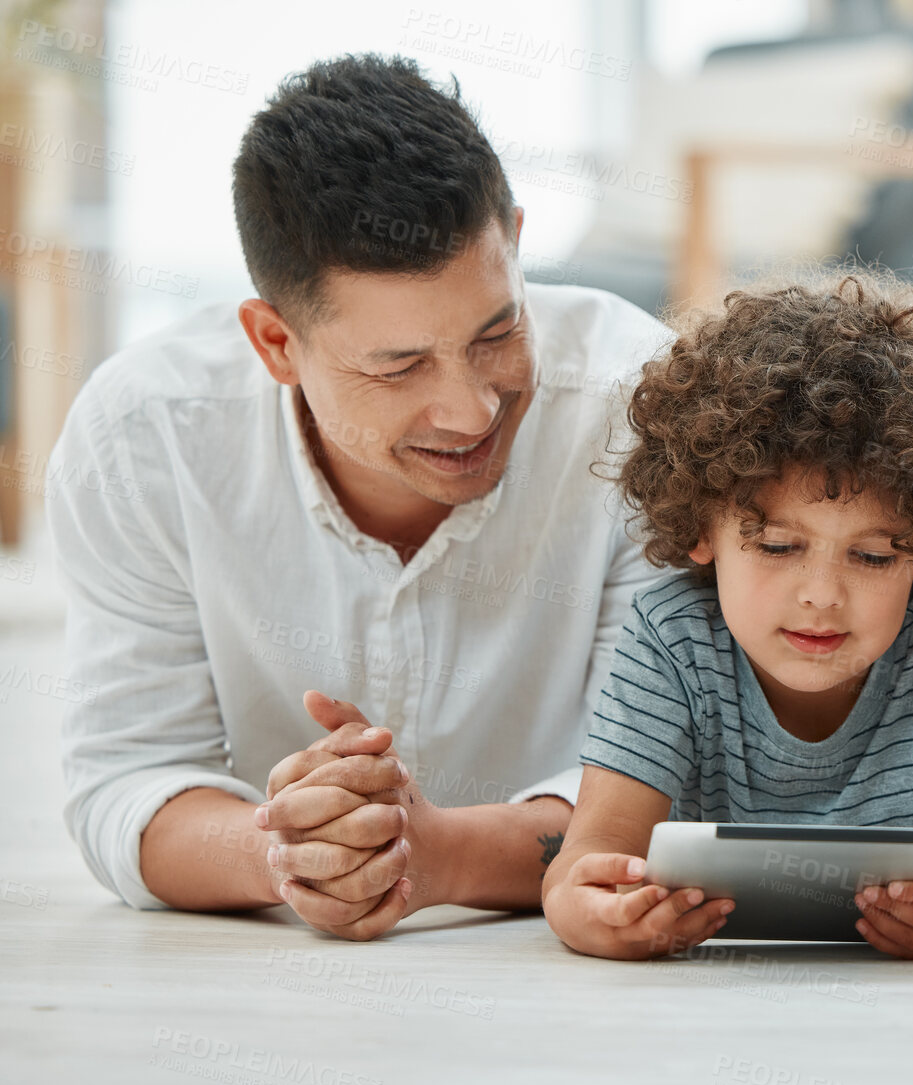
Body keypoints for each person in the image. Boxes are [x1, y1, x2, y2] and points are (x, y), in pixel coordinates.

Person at [47, 55, 669, 940]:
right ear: (275, 344)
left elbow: (667, 773)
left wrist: (441, 852)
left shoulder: (641, 409)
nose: (472, 408)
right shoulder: (144, 436)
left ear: (518, 245)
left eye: (498, 332)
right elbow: (126, 779)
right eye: (399, 366)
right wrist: (287, 854)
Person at [542, 274, 913, 960]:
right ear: (700, 531)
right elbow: (591, 852)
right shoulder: (670, 635)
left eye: (876, 557)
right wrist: (588, 910)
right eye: (777, 546)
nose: (822, 595)